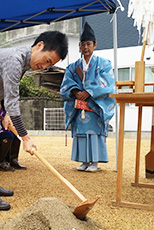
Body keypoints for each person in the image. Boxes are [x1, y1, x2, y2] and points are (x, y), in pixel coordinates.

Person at [0, 31, 68, 211]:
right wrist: (25, 137)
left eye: (49, 65)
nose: (44, 67)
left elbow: (7, 93)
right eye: (47, 60)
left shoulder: (23, 63)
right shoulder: (14, 60)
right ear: (39, 45)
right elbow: (12, 101)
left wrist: (7, 115)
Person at [60, 22, 115, 172]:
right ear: (79, 46)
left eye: (89, 44)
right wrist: (75, 92)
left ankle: (95, 162)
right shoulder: (72, 66)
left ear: (94, 45)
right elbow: (66, 82)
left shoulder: (103, 64)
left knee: (93, 133)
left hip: (94, 105)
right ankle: (84, 161)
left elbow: (108, 82)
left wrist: (89, 91)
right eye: (83, 44)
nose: (86, 47)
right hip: (79, 105)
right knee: (81, 133)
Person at [0, 102, 26, 171]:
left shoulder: (4, 102)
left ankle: (13, 160)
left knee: (17, 135)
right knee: (7, 136)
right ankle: (0, 161)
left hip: (2, 126)